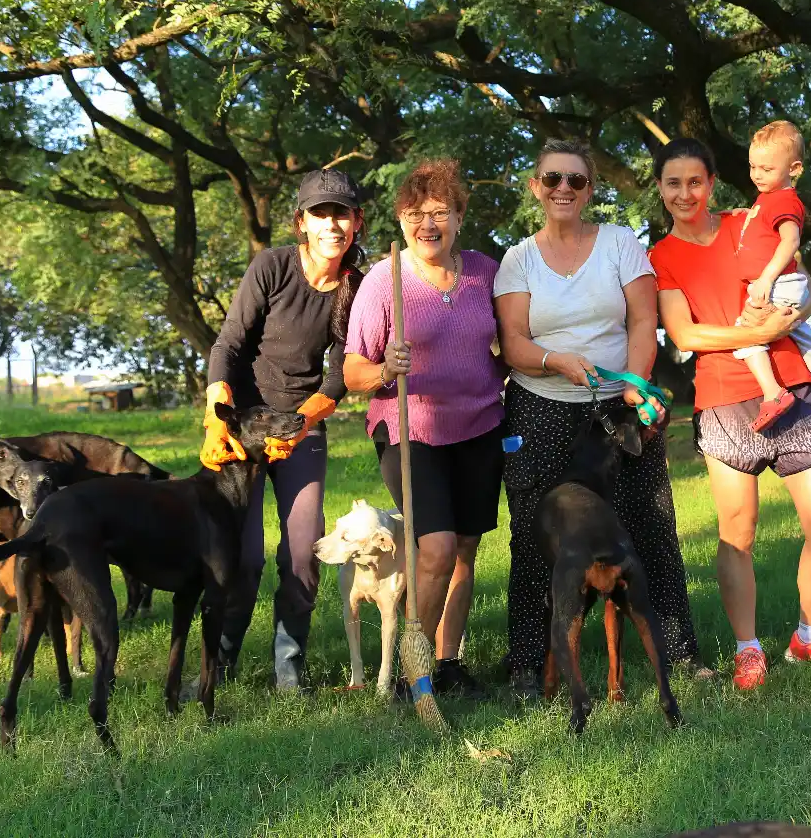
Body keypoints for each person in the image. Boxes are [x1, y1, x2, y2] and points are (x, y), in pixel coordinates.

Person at [494, 137, 710, 698]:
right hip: (540, 407)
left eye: (576, 179)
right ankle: (527, 663)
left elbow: (642, 321)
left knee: (649, 526)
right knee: (535, 536)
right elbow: (512, 342)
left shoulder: (619, 243)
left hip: (618, 407)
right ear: (536, 187)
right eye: (553, 179)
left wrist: (636, 385)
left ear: (591, 190)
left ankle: (680, 652)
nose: (564, 188)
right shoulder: (518, 260)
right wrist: (555, 360)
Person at [648, 137, 811, 691]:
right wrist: (751, 334)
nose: (685, 193)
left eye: (695, 181)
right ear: (661, 189)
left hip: (793, 387)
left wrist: (786, 319)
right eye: (673, 183)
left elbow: (810, 290)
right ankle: (748, 649)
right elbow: (685, 335)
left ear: (712, 183)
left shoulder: (751, 222)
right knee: (738, 533)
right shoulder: (660, 257)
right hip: (724, 399)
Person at [343, 158, 505, 698]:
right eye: (414, 214)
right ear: (400, 221)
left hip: (480, 425)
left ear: (460, 216)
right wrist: (384, 369)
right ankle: (410, 673)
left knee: (463, 549)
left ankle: (447, 661)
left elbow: (508, 340)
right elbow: (352, 371)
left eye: (438, 212)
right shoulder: (383, 280)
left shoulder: (484, 272)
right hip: (410, 429)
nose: (426, 224)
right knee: (434, 548)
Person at [200, 168, 365, 691]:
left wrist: (301, 424)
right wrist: (217, 414)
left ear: (356, 222)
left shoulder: (358, 287)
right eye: (320, 214)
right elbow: (229, 344)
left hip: (301, 428)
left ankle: (289, 672)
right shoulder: (272, 266)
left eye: (341, 214)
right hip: (244, 427)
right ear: (302, 223)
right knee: (242, 558)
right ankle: (216, 666)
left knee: (302, 554)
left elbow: (340, 375)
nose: (331, 224)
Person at [732, 120, 811, 433]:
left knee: (744, 334)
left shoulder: (785, 200)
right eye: (752, 167)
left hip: (777, 282)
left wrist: (765, 278)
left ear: (794, 168)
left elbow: (790, 242)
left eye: (766, 168)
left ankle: (773, 393)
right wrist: (748, 215)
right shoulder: (769, 196)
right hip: (784, 283)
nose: (757, 174)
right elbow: (766, 228)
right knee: (802, 334)